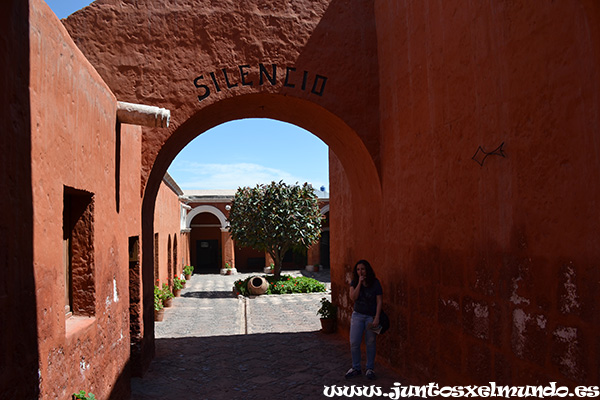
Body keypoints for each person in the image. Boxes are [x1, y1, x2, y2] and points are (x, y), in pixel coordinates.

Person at [345, 259, 383, 380]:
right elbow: (353, 298)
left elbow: (379, 301)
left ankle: (370, 368)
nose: (360, 271)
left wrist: (377, 317)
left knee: (371, 342)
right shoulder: (354, 282)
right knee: (354, 342)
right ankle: (356, 367)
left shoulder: (375, 283)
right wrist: (359, 283)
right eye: (358, 269)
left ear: (367, 270)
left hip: (371, 317)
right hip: (358, 315)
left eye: (362, 269)